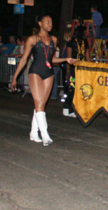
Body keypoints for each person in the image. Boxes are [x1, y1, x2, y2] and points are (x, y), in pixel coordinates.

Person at [11, 15, 78, 146]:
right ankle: (45, 134)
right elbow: (24, 59)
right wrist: (15, 78)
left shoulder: (54, 39)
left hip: (48, 72)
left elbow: (51, 59)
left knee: (41, 103)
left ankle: (33, 132)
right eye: (47, 21)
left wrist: (66, 60)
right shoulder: (32, 39)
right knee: (39, 102)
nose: (50, 24)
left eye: (52, 22)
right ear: (40, 24)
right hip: (36, 71)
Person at [62, 26, 91, 118]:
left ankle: (75, 109)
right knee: (72, 88)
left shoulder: (85, 43)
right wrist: (67, 71)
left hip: (82, 70)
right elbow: (69, 57)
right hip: (72, 68)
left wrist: (90, 68)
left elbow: (88, 58)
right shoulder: (71, 43)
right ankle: (67, 107)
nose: (87, 33)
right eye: (85, 32)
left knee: (80, 89)